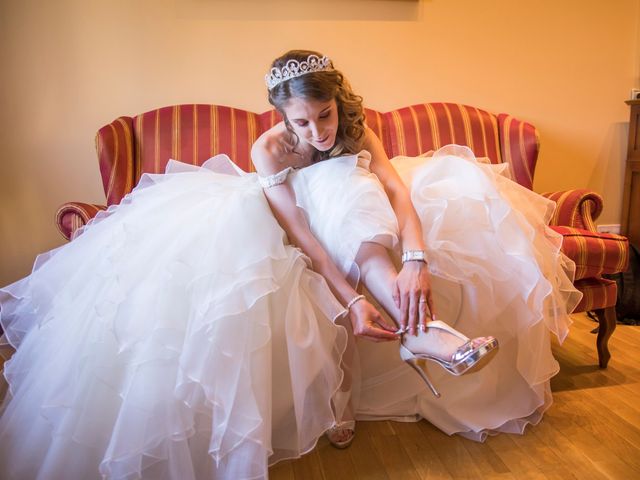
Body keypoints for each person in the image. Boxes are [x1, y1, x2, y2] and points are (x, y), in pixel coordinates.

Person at [0, 49, 580, 480]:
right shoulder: (270, 151)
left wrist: (418, 261)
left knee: (348, 186)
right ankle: (421, 334)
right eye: (301, 122)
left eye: (324, 116)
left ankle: (411, 336)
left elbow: (400, 196)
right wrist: (351, 298)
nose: (317, 132)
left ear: (339, 102)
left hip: (360, 225)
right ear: (279, 117)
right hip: (284, 232)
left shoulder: (355, 131)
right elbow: (300, 232)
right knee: (330, 192)